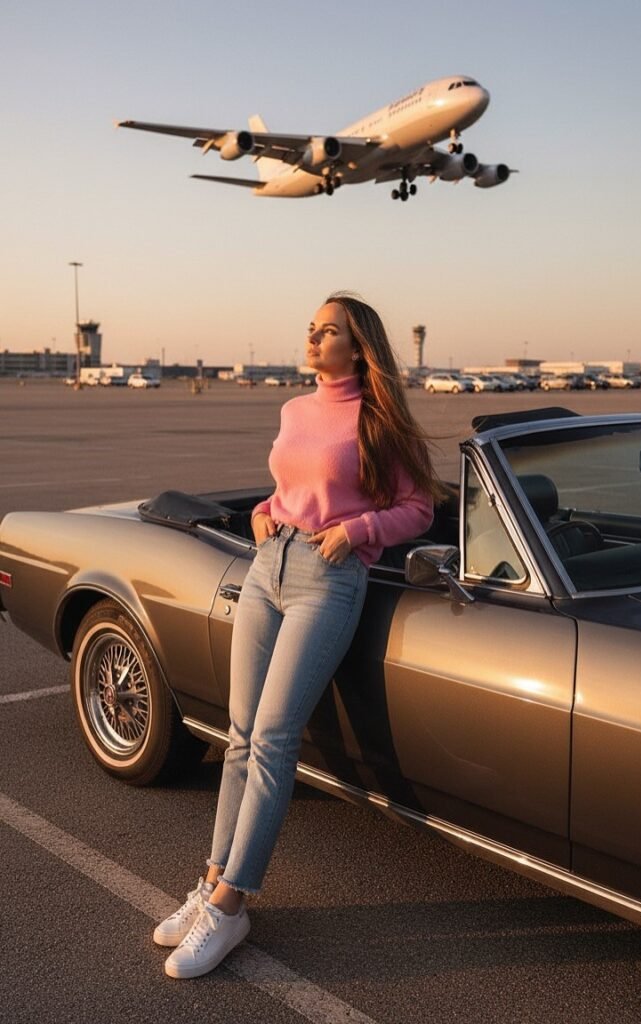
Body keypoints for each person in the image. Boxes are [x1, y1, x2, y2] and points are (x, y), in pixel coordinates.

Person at [154, 293, 446, 979]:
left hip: (329, 578)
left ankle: (231, 904)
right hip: (267, 567)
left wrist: (359, 529)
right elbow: (290, 487)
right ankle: (211, 880)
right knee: (239, 734)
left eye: (328, 331)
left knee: (274, 738)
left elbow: (417, 507)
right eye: (311, 329)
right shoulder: (293, 409)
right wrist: (263, 510)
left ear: (358, 348)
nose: (313, 339)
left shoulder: (378, 421)